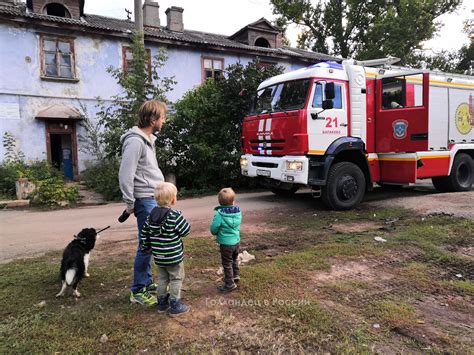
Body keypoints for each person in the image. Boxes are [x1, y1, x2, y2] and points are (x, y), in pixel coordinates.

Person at [119, 100, 167, 305]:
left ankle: (146, 282)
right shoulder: (135, 141)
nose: (164, 121)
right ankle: (138, 291)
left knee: (150, 243)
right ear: (152, 119)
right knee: (146, 245)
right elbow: (125, 174)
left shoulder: (147, 139)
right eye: (162, 117)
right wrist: (130, 202)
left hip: (152, 198)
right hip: (145, 199)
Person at [141, 182, 191, 316]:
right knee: (176, 278)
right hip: (174, 256)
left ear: (155, 199)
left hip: (159, 256)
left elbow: (144, 234)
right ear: (173, 199)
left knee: (162, 279)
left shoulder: (150, 216)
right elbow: (186, 231)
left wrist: (146, 247)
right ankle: (175, 304)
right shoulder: (175, 215)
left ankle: (162, 303)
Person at [210, 188, 242, 293]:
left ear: (220, 202)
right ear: (233, 201)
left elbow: (213, 229)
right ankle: (236, 275)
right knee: (234, 258)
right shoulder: (238, 212)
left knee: (227, 263)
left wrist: (216, 232)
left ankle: (229, 284)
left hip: (225, 244)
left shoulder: (219, 214)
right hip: (236, 241)